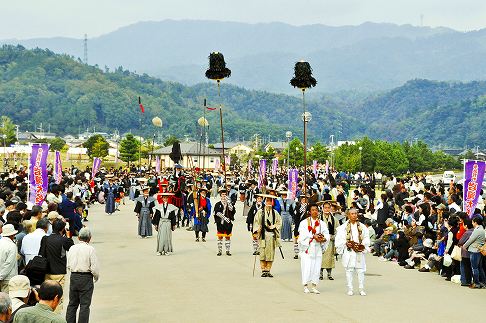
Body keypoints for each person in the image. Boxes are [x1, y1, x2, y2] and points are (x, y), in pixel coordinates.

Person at [66, 228, 100, 323]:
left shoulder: (72, 248)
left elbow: (68, 264)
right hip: (86, 277)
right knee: (84, 305)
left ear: (79, 237)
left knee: (72, 304)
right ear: (89, 238)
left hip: (74, 276)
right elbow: (94, 267)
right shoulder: (90, 249)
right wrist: (95, 278)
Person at [40, 219, 74, 313]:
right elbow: (71, 247)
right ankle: (55, 316)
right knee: (58, 297)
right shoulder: (64, 240)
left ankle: (46, 314)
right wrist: (68, 236)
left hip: (47, 270)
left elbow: (41, 254)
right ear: (63, 229)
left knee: (47, 296)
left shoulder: (45, 239)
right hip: (59, 271)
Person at [335, 208, 371, 296]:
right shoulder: (343, 227)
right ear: (348, 215)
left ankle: (361, 288)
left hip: (359, 251)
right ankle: (350, 288)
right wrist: (346, 243)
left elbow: (366, 238)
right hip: (349, 251)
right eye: (352, 214)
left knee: (360, 270)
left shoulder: (362, 227)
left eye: (355, 213)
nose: (354, 215)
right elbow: (339, 239)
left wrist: (362, 245)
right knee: (349, 270)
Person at [298, 204, 329, 294]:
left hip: (317, 247)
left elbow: (326, 234)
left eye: (316, 210)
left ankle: (314, 285)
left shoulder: (322, 223)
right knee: (307, 266)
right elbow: (302, 234)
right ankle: (305, 285)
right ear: (309, 212)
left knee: (316, 266)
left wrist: (324, 238)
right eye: (313, 210)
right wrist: (312, 236)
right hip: (308, 247)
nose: (315, 211)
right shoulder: (304, 222)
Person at [253, 194, 282, 277]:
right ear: (265, 202)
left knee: (270, 253)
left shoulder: (275, 213)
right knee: (262, 253)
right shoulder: (260, 212)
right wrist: (258, 229)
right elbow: (256, 222)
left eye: (270, 201)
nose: (269, 202)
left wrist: (274, 226)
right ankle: (263, 269)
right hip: (262, 234)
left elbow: (279, 222)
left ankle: (268, 270)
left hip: (271, 235)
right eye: (267, 201)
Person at [462, 216, 486, 289]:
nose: (472, 223)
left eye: (472, 222)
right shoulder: (482, 229)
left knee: (474, 268)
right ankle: (483, 282)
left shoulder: (477, 230)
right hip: (479, 250)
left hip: (475, 250)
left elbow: (470, 239)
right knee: (479, 267)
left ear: (475, 222)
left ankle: (476, 283)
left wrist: (464, 246)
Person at [213, 189, 236, 256]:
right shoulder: (218, 204)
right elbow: (216, 212)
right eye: (223, 195)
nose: (224, 196)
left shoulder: (229, 203)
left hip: (228, 223)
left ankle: (227, 251)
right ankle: (219, 251)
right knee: (220, 237)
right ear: (220, 196)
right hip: (220, 223)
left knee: (228, 237)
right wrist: (224, 218)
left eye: (225, 195)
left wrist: (229, 202)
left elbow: (232, 210)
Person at [320, 201, 338, 281]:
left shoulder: (334, 219)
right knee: (320, 257)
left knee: (330, 257)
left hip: (330, 241)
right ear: (322, 208)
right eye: (325, 207)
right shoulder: (318, 218)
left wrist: (334, 236)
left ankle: (329, 274)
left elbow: (337, 230)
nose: (327, 209)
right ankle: (320, 273)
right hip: (321, 241)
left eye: (328, 208)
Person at [0, 224, 18, 293]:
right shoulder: (12, 246)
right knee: (6, 300)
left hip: (3, 276)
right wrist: (1, 276)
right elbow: (9, 263)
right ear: (12, 235)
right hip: (8, 278)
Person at [292, 194, 309, 259]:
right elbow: (295, 215)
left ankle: (304, 252)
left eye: (305, 199)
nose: (304, 200)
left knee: (305, 239)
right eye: (303, 199)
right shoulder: (297, 207)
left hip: (306, 226)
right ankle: (296, 253)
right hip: (298, 224)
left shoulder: (309, 207)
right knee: (296, 239)